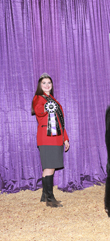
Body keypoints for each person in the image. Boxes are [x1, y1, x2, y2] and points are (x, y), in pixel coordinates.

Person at [31, 73, 70, 207]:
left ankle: (44, 196)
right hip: (46, 138)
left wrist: (65, 138)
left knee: (50, 166)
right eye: (44, 83)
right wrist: (46, 106)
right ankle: (50, 199)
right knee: (49, 167)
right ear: (40, 86)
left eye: (49, 83)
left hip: (57, 138)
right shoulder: (38, 98)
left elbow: (60, 122)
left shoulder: (52, 99)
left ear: (52, 85)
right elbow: (39, 111)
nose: (47, 85)